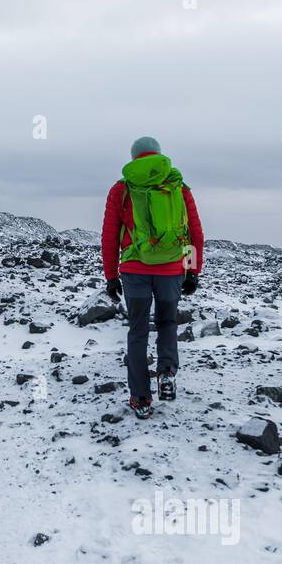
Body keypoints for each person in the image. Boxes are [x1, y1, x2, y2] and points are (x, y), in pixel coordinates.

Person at [101, 136, 204, 419]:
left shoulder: (122, 188)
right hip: (171, 269)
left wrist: (111, 277)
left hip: (134, 269)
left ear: (133, 157)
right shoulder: (177, 186)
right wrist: (192, 270)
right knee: (167, 322)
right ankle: (167, 371)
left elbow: (110, 237)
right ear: (158, 154)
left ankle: (140, 398)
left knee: (137, 331)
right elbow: (194, 231)